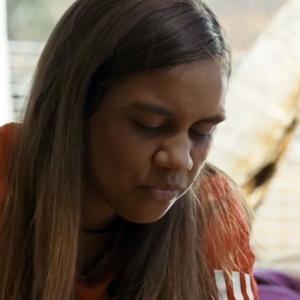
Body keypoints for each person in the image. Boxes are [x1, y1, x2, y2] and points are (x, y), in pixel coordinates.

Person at [0, 0, 258, 299]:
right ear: (74, 109)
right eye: (150, 124)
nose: (180, 159)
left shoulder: (211, 207)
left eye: (203, 132)